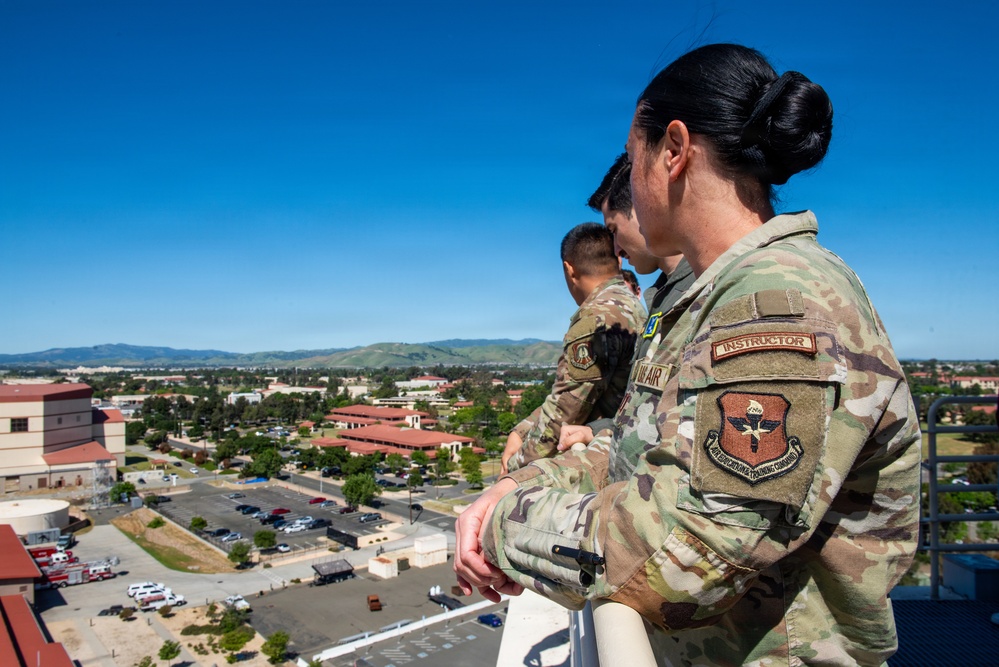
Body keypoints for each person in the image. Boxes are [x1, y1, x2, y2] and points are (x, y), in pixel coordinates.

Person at [456, 43, 921, 666]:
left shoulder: (778, 303)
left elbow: (686, 551)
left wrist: (501, 527)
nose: (629, 179)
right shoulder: (702, 298)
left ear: (673, 150)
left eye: (634, 154)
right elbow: (637, 451)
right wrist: (528, 481)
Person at [560, 153, 699, 453]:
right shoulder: (662, 298)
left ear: (643, 207)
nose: (615, 250)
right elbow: (646, 412)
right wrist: (594, 429)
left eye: (613, 230)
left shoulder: (701, 289)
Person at [500, 222, 646, 475]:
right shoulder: (629, 303)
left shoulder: (596, 318)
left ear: (569, 269)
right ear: (618, 262)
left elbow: (567, 408)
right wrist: (521, 430)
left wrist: (514, 468)